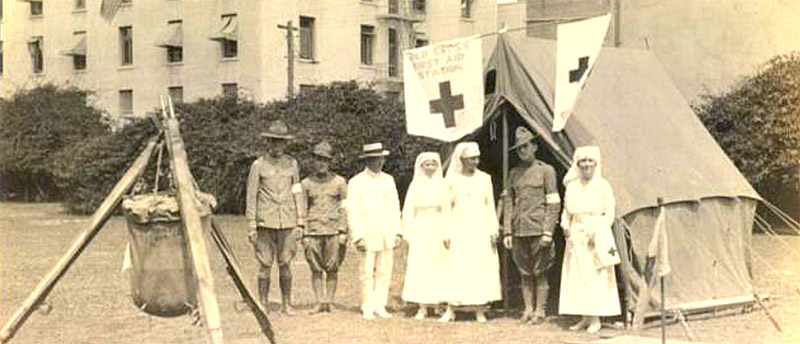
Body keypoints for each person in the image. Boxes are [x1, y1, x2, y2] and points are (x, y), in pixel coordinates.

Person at [559, 146, 621, 333]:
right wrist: (565, 226)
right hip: (576, 234)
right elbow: (566, 211)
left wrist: (598, 232)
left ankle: (596, 318)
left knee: (595, 276)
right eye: (582, 161)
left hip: (596, 235)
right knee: (578, 275)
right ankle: (584, 317)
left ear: (596, 163)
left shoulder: (603, 185)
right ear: (577, 164)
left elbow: (609, 213)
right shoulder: (572, 186)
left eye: (590, 161)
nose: (586, 165)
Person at [502, 127, 560, 325]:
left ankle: (540, 311)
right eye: (519, 149)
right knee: (524, 272)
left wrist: (548, 231)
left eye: (526, 146)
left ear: (535, 147)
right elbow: (509, 201)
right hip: (519, 229)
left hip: (538, 228)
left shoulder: (546, 171)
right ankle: (527, 310)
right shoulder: (514, 174)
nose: (523, 151)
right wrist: (508, 231)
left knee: (540, 271)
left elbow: (553, 202)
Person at [245, 120, 305, 315]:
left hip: (287, 222)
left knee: (286, 263)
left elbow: (297, 192)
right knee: (264, 264)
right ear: (268, 142)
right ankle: (263, 303)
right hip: (265, 222)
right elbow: (251, 196)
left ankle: (286, 304)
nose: (277, 146)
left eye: (281, 142)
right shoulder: (258, 165)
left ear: (285, 143)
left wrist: (300, 222)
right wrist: (252, 225)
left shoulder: (292, 164)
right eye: (274, 142)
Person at [439, 142, 502, 323]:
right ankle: (451, 309)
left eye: (477, 158)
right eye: (471, 159)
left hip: (480, 228)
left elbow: (489, 205)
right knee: (456, 266)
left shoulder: (484, 179)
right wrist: (447, 232)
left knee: (480, 266)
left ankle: (479, 309)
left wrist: (493, 229)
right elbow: (446, 209)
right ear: (462, 160)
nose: (475, 162)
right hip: (459, 229)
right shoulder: (450, 180)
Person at [347, 142, 403, 320]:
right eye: (375, 159)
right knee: (366, 271)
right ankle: (368, 306)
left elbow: (395, 207)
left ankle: (380, 305)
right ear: (367, 160)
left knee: (385, 270)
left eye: (381, 159)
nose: (379, 162)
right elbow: (352, 210)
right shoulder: (356, 182)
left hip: (386, 231)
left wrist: (397, 232)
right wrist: (358, 236)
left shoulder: (389, 180)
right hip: (367, 231)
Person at [400, 152, 451, 320]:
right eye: (427, 164)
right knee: (420, 265)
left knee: (438, 265)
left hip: (437, 227)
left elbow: (446, 210)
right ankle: (421, 306)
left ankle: (436, 304)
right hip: (420, 228)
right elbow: (408, 210)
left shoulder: (443, 185)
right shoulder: (415, 185)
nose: (430, 167)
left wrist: (446, 231)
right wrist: (408, 231)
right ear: (421, 167)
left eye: (433, 164)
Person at [300, 141, 349, 314]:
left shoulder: (340, 182)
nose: (321, 163)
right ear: (313, 161)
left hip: (334, 231)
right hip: (313, 231)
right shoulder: (305, 184)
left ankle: (330, 302)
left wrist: (343, 231)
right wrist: (304, 233)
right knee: (315, 268)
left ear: (330, 162)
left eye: (325, 160)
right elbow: (302, 209)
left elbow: (345, 207)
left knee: (333, 268)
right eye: (318, 159)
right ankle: (319, 301)